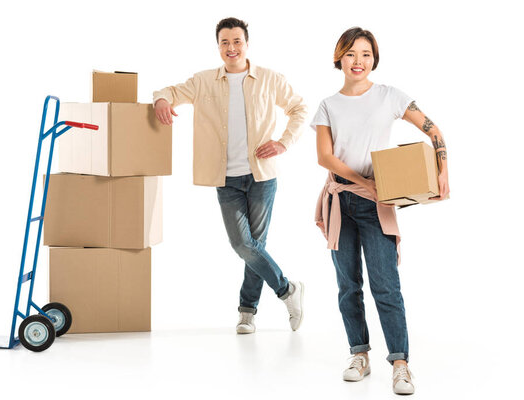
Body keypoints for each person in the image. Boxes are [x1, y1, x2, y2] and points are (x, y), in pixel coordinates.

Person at [311, 27, 449, 395]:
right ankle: (359, 354)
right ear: (339, 56)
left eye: (366, 54)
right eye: (352, 54)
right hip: (340, 200)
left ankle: (400, 364)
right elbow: (325, 156)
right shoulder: (328, 105)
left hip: (377, 205)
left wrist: (442, 167)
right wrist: (364, 181)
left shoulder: (389, 96)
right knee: (348, 286)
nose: (359, 61)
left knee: (386, 285)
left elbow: (432, 128)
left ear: (374, 58)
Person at [153, 17, 308, 334]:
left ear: (247, 44)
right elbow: (170, 91)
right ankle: (287, 290)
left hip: (262, 176)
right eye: (225, 42)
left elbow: (299, 108)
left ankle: (247, 311)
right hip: (226, 179)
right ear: (218, 47)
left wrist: (283, 142)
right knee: (243, 244)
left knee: (255, 245)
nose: (231, 48)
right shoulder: (204, 81)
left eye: (237, 41)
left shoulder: (268, 79)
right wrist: (161, 99)